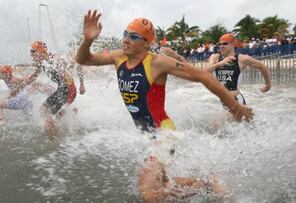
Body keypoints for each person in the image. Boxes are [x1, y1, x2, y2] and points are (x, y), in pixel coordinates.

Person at [76, 10, 253, 202]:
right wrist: (88, 41)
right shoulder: (119, 57)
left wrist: (235, 107)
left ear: (147, 43)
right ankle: (208, 182)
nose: (126, 39)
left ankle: (209, 182)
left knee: (150, 195)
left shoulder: (158, 63)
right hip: (146, 134)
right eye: (125, 34)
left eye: (134, 36)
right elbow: (83, 60)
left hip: (163, 133)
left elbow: (203, 76)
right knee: (161, 186)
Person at [9, 41, 86, 139]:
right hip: (63, 90)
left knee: (47, 117)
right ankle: (66, 115)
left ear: (40, 51)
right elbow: (31, 78)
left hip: (68, 91)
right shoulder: (41, 64)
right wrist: (17, 90)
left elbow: (78, 64)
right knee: (46, 112)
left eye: (33, 51)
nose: (31, 55)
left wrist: (82, 85)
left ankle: (55, 142)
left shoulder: (54, 59)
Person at [203, 33, 271, 126]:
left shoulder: (241, 59)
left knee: (216, 124)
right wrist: (219, 64)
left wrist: (268, 84)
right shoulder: (215, 57)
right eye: (220, 44)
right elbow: (204, 72)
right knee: (243, 126)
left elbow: (262, 66)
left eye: (225, 43)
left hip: (235, 100)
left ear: (232, 44)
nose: (221, 46)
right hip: (224, 101)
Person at [0, 63, 54, 128]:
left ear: (6, 73)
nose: (0, 74)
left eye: (1, 73)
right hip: (27, 101)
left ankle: (2, 120)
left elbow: (29, 80)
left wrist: (36, 80)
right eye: (0, 73)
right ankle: (42, 124)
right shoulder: (6, 77)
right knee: (31, 119)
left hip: (19, 99)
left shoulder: (14, 79)